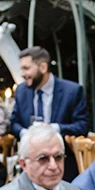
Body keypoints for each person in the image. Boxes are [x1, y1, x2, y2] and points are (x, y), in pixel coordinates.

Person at [11, 47, 88, 181]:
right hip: (30, 166)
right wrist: (26, 133)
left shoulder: (72, 91)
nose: (22, 74)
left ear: (43, 67)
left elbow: (82, 126)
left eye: (26, 68)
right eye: (21, 69)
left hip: (63, 165)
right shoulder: (21, 91)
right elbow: (13, 123)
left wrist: (54, 129)